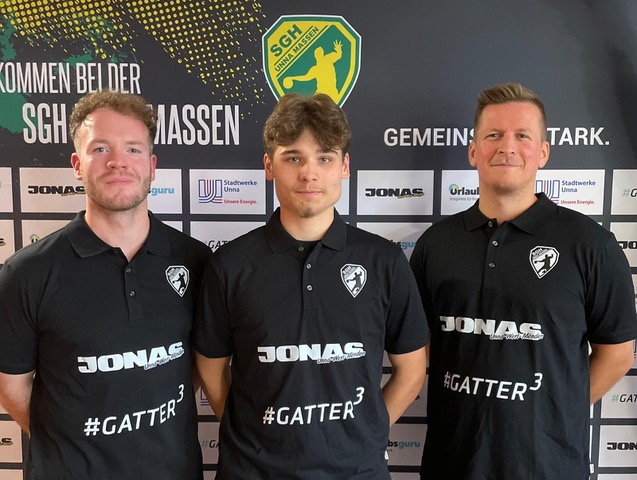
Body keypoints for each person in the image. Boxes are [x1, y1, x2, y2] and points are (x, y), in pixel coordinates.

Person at [195, 93, 428, 479]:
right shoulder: (230, 265)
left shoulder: (384, 261)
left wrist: (365, 434)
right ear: (268, 166)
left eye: (324, 157)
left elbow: (412, 368)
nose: (309, 173)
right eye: (292, 158)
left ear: (344, 167)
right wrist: (254, 438)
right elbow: (211, 370)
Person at [410, 82, 637, 479]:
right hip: (452, 464)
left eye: (522, 136)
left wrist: (556, 408)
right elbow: (416, 345)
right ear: (473, 151)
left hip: (549, 468)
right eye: (493, 135)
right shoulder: (435, 244)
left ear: (543, 153)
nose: (507, 147)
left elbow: (617, 354)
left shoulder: (591, 244)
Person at [0, 90, 211, 479]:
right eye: (100, 149)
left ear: (152, 166)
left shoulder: (196, 262)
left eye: (133, 149)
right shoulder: (26, 273)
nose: (118, 162)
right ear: (77, 165)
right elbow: (12, 389)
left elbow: (199, 367)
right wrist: (71, 445)